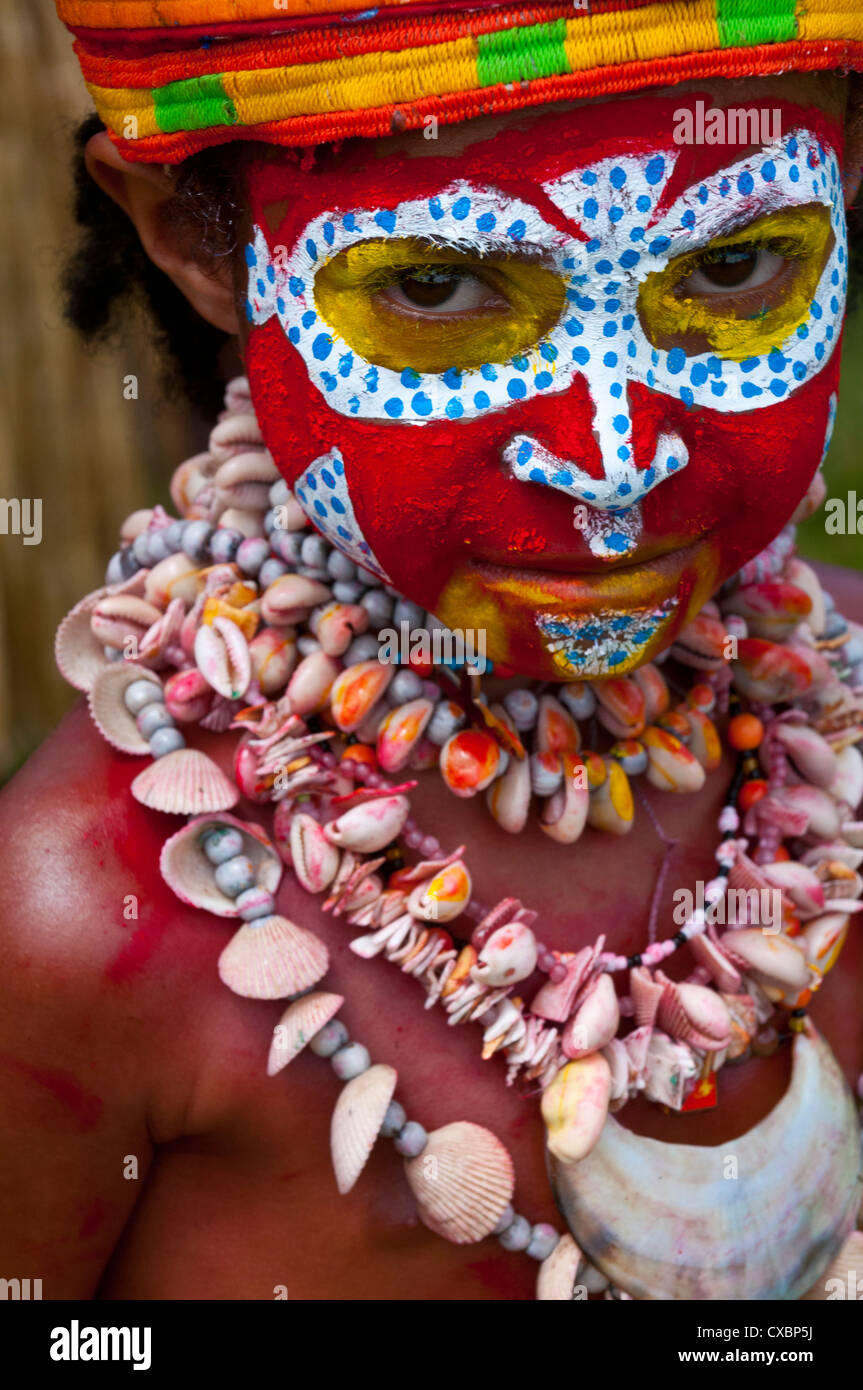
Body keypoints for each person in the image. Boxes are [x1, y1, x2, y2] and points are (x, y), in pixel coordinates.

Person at [1, 0, 862, 1301]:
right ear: (196, 238)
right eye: (435, 287)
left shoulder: (847, 727)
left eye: (734, 269)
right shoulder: (77, 925)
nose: (612, 459)